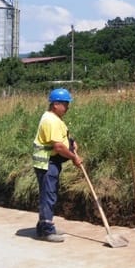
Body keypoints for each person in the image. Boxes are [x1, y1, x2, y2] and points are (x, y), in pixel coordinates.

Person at [32, 88, 82, 242]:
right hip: (47, 163)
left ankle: (43, 226)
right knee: (49, 195)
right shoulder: (50, 120)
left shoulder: (54, 118)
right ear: (55, 104)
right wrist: (74, 157)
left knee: (48, 194)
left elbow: (62, 139)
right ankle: (47, 230)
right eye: (65, 104)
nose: (68, 107)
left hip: (50, 162)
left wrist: (72, 143)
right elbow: (58, 147)